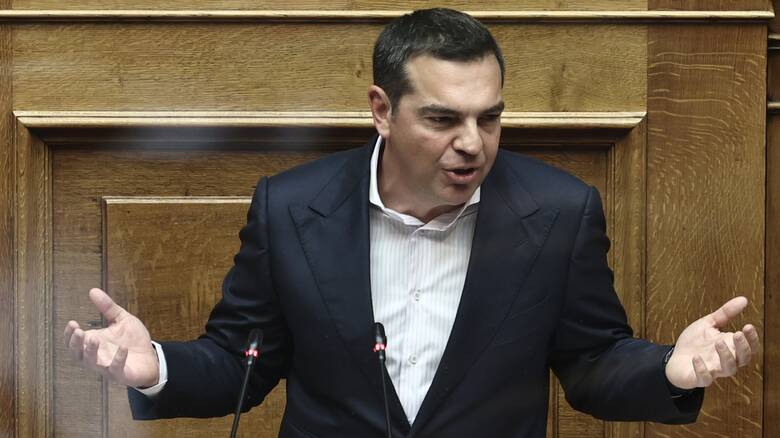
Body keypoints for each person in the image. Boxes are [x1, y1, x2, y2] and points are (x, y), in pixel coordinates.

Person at [63, 8, 760, 438]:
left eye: (489, 118)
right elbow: (239, 364)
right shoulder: (290, 207)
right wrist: (155, 366)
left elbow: (591, 363)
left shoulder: (558, 211)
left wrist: (669, 370)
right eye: (442, 119)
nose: (472, 143)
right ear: (381, 110)